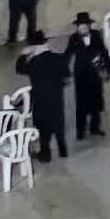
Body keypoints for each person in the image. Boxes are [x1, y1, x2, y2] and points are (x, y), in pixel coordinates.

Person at [17, 30, 70, 161]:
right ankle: (63, 150)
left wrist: (24, 54)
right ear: (45, 43)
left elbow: (19, 68)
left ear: (32, 46)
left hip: (40, 99)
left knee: (43, 126)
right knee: (58, 124)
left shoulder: (32, 63)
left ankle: (45, 154)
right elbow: (66, 76)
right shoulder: (59, 58)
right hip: (56, 99)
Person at [66, 12, 110, 138]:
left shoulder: (96, 36)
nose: (82, 29)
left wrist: (108, 67)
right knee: (81, 104)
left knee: (96, 102)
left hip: (95, 74)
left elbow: (104, 52)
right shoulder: (73, 39)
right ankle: (80, 131)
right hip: (81, 74)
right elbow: (67, 55)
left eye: (84, 26)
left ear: (88, 26)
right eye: (80, 27)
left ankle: (95, 127)